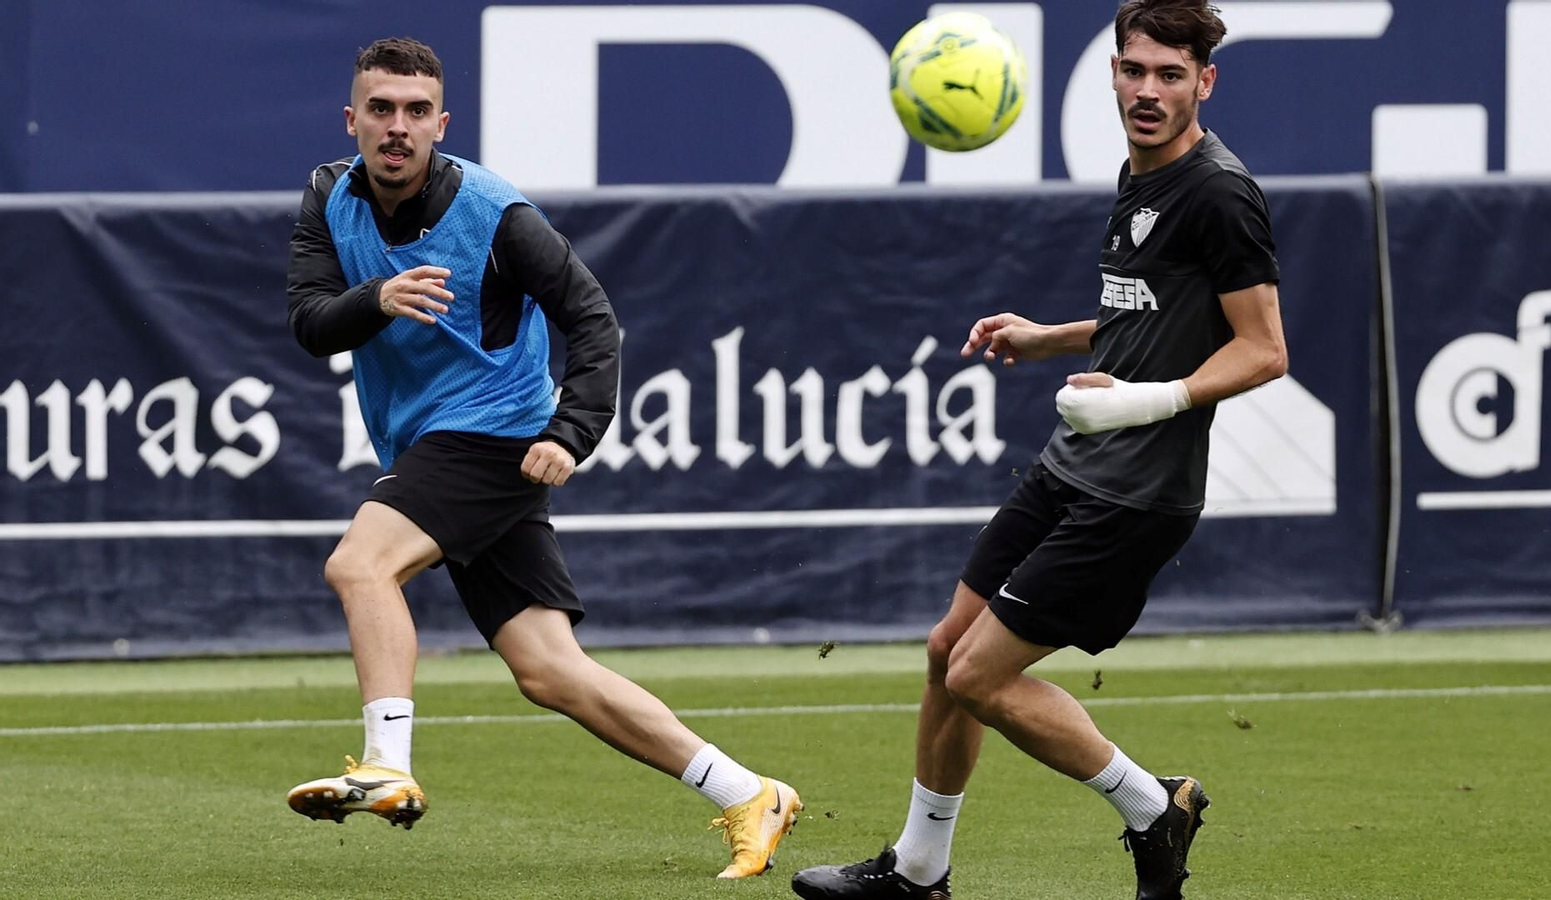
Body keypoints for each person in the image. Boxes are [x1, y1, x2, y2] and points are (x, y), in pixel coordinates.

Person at [791, 2, 1287, 898]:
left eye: (1170, 76)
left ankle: (1153, 806)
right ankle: (918, 871)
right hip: (1073, 465)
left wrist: (1145, 400)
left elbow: (1263, 348)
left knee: (982, 674)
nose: (1148, 90)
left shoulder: (1219, 191)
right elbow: (1154, 313)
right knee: (948, 650)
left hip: (1136, 495)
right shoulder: (1142, 173)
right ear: (1112, 72)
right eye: (1134, 70)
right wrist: (1050, 337)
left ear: (1204, 83)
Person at [283, 37, 802, 879]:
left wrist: (570, 432)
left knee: (360, 566)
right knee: (550, 670)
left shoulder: (493, 210)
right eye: (380, 109)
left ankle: (386, 761)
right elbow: (309, 322)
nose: (398, 127)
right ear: (352, 120)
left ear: (441, 123)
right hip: (434, 441)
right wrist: (376, 297)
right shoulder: (326, 196)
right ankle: (749, 793)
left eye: (417, 112)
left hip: (493, 434)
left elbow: (592, 317)